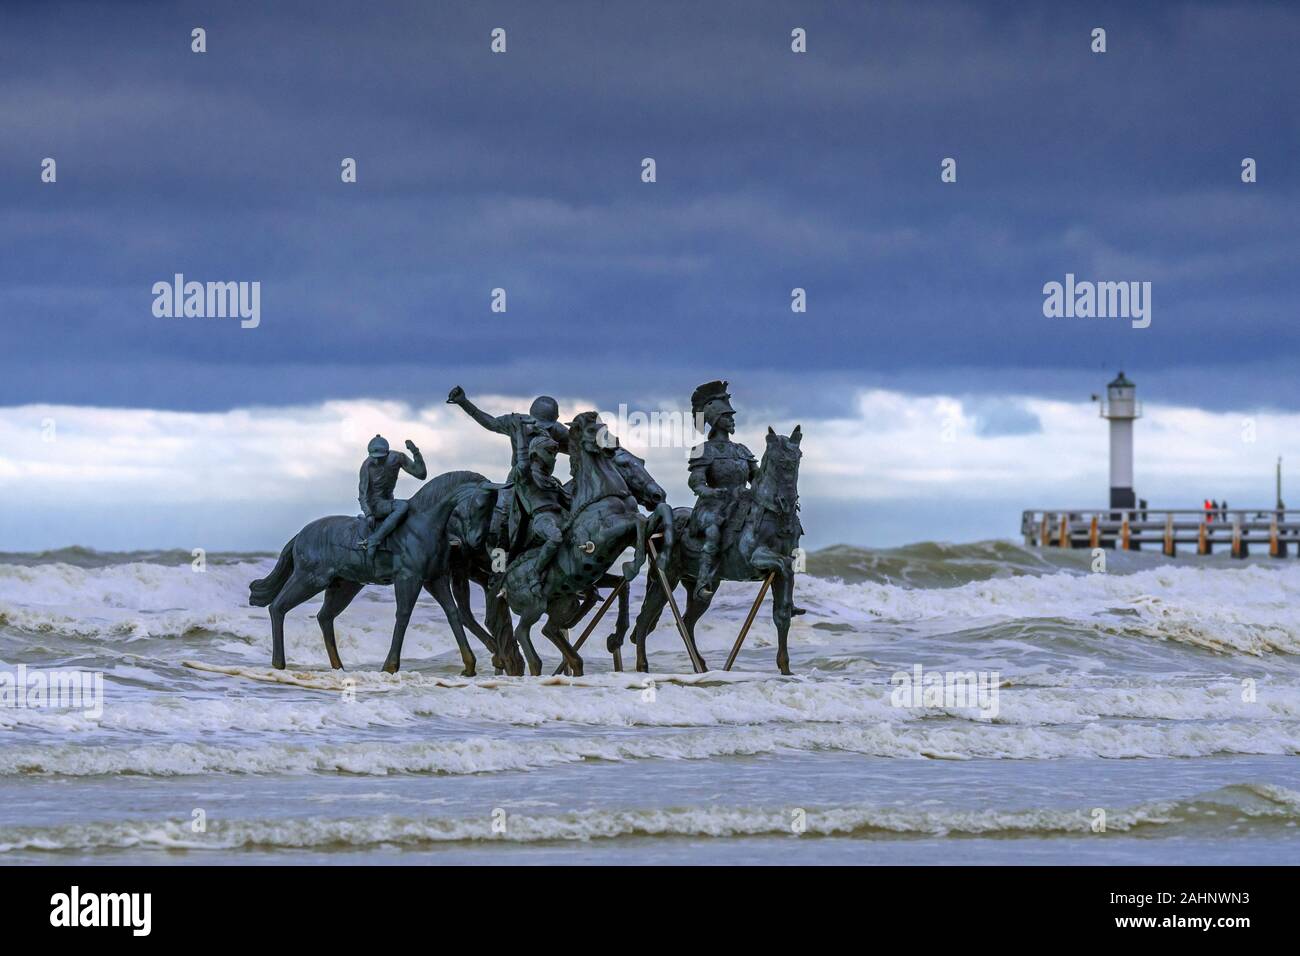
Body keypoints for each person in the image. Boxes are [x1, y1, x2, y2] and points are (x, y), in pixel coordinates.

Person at [447, 385, 569, 554]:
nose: (543, 429)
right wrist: (463, 402)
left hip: (543, 480)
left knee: (567, 504)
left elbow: (576, 448)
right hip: (518, 480)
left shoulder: (557, 430)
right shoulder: (516, 422)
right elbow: (491, 423)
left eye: (547, 426)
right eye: (540, 424)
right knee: (503, 518)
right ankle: (499, 564)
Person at [687, 381, 757, 600]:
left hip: (741, 504)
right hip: (712, 506)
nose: (732, 420)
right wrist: (708, 492)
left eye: (731, 416)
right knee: (714, 528)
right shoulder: (703, 450)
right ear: (716, 420)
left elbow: (757, 478)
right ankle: (703, 581)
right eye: (727, 416)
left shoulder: (742, 450)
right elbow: (696, 481)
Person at [357, 434, 427, 551]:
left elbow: (421, 474)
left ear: (388, 453)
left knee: (415, 505)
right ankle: (375, 539)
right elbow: (362, 495)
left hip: (389, 501)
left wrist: (415, 452)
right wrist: (368, 514)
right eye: (373, 457)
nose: (376, 460)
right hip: (375, 504)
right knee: (402, 506)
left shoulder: (397, 458)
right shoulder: (367, 466)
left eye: (380, 458)